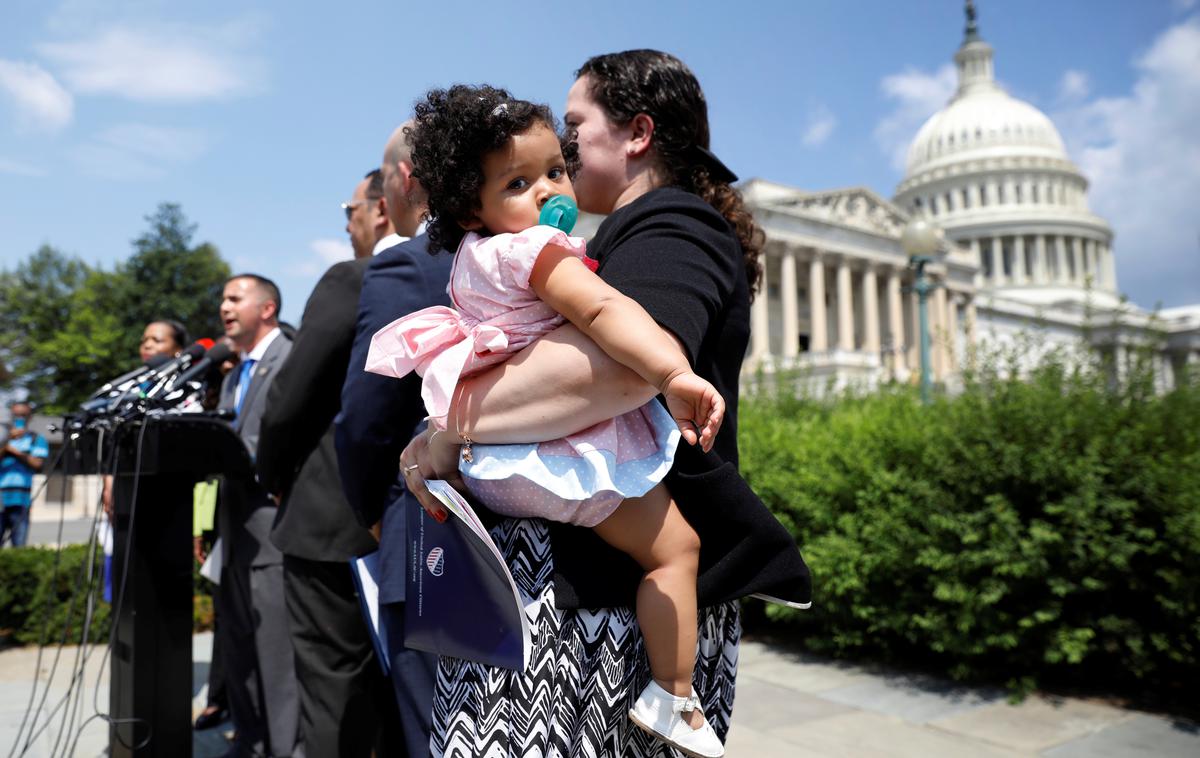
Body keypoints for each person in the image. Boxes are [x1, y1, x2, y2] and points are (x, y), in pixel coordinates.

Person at [400, 50, 812, 757]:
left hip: (598, 622)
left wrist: (450, 431)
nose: (562, 151)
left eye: (573, 128)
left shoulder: (670, 226)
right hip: (589, 607)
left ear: (637, 135)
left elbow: (619, 374)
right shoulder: (571, 243)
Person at [254, 170, 406, 757]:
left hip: (333, 525)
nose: (346, 224)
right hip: (425, 521)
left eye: (350, 208)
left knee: (334, 701)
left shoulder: (355, 280)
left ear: (384, 207)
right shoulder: (457, 274)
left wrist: (271, 478)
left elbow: (288, 402)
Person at [335, 122, 451, 756]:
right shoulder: (544, 259)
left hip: (428, 538)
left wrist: (368, 510)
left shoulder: (406, 265)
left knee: (430, 732)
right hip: (537, 548)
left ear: (403, 182)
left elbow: (366, 415)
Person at [217, 274, 298, 758]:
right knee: (238, 652)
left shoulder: (288, 356)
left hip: (272, 531)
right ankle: (250, 743)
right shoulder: (230, 374)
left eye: (234, 298)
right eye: (221, 300)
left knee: (276, 658)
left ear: (266, 308)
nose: (223, 307)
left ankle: (287, 749)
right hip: (232, 536)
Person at [1, 401, 48, 548]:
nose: (19, 418)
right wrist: (7, 440)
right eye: (16, 415)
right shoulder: (2, 438)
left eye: (23, 415)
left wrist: (15, 452)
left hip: (22, 499)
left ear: (30, 417)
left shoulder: (36, 439)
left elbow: (37, 464)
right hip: (0, 498)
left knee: (19, 546)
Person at [344, 168, 401, 259]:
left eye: (350, 211)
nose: (347, 228)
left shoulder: (349, 272)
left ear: (381, 211)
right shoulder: (428, 263)